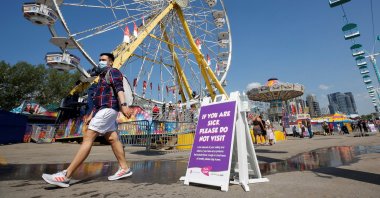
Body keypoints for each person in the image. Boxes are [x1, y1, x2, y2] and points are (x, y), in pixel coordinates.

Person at [42, 53, 134, 188]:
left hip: (108, 109)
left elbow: (119, 89)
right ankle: (124, 168)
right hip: (104, 110)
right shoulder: (101, 78)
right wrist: (91, 115)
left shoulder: (113, 71)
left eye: (103, 60)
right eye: (99, 59)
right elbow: (98, 100)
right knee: (113, 139)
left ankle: (66, 175)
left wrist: (125, 106)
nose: (100, 62)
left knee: (88, 137)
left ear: (111, 63)